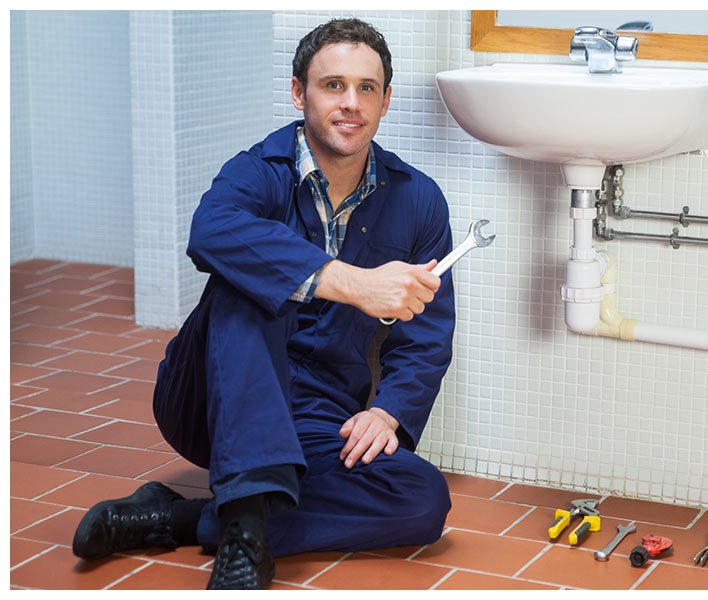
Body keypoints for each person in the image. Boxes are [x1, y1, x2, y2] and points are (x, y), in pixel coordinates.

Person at [71, 18, 455, 590]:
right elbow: (210, 231)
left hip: (319, 413)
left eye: (367, 88)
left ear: (386, 100)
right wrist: (347, 281)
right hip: (213, 397)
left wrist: (389, 412)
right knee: (245, 280)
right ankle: (246, 544)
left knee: (422, 499)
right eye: (333, 86)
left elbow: (427, 334)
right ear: (299, 91)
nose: (351, 104)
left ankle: (180, 516)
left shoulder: (418, 200)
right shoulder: (257, 171)